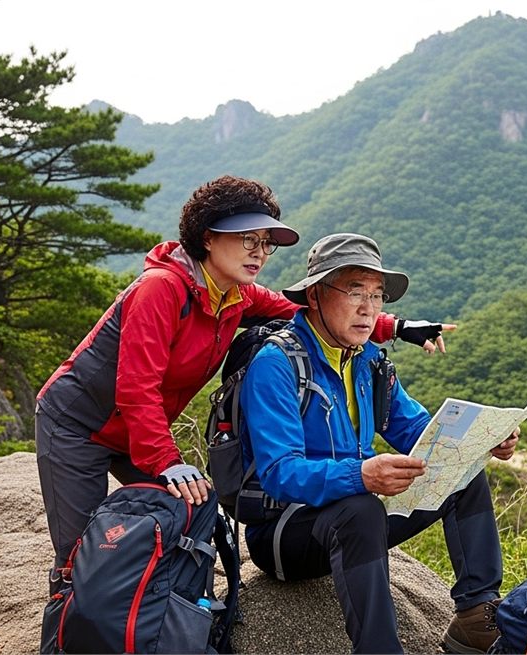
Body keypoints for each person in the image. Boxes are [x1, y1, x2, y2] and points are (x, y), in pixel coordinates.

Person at [35, 176, 452, 591]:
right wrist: (167, 461)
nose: (260, 252)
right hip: (78, 428)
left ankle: (160, 613)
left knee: (188, 511)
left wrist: (395, 326)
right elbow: (136, 388)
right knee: (79, 553)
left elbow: (312, 309)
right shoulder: (160, 290)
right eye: (247, 238)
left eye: (266, 242)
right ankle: (67, 624)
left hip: (135, 431)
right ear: (208, 237)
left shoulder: (236, 294)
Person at [239, 233, 519, 654]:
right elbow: (279, 474)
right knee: (360, 508)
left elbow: (421, 434)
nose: (368, 309)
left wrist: (482, 440)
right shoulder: (277, 364)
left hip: (352, 518)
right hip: (283, 533)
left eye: (377, 295)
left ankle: (475, 615)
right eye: (354, 292)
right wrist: (362, 474)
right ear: (314, 296)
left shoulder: (368, 360)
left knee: (462, 471)